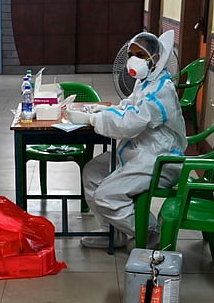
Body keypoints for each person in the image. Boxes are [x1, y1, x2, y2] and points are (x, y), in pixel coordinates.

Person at [80, 30, 187, 249]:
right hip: (139, 152)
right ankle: (114, 232)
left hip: (160, 161)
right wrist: (103, 110)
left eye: (140, 55)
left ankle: (153, 234)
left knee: (106, 196)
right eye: (131, 53)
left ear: (155, 59)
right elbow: (130, 105)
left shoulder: (161, 90)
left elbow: (130, 122)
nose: (133, 60)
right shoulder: (145, 81)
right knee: (92, 172)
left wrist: (94, 119)